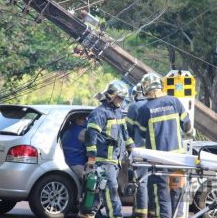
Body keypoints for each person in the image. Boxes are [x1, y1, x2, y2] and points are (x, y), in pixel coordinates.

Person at [136, 73, 192, 218]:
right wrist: (189, 133)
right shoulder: (175, 101)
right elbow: (187, 126)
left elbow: (142, 134)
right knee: (177, 194)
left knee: (162, 199)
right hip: (177, 161)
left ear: (146, 88)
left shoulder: (144, 109)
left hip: (158, 161)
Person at [79, 80, 135, 218]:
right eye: (120, 98)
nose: (121, 101)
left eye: (123, 99)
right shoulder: (99, 113)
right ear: (111, 95)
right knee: (112, 194)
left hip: (114, 162)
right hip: (103, 162)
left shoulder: (118, 112)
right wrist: (92, 158)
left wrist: (132, 149)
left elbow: (125, 134)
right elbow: (91, 136)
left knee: (97, 197)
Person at [126, 83, 149, 218]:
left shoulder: (133, 107)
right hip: (156, 153)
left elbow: (127, 130)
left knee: (141, 182)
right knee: (153, 182)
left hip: (139, 151)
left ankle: (141, 213)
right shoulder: (153, 105)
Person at [61, 114, 88, 180]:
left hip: (66, 161)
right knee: (96, 178)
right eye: (83, 119)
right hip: (76, 164)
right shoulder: (83, 131)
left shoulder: (67, 129)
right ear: (77, 120)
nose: (86, 120)